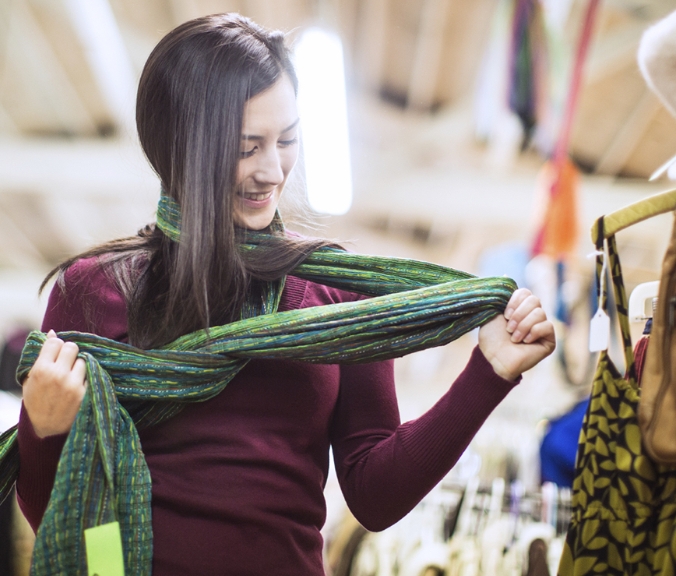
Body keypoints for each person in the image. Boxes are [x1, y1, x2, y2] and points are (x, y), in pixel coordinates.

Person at [16, 13, 555, 575]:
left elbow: (374, 494)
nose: (273, 170)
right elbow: (54, 518)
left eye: (288, 140)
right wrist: (45, 428)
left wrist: (488, 372)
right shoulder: (96, 289)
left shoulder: (338, 288)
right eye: (248, 146)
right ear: (181, 147)